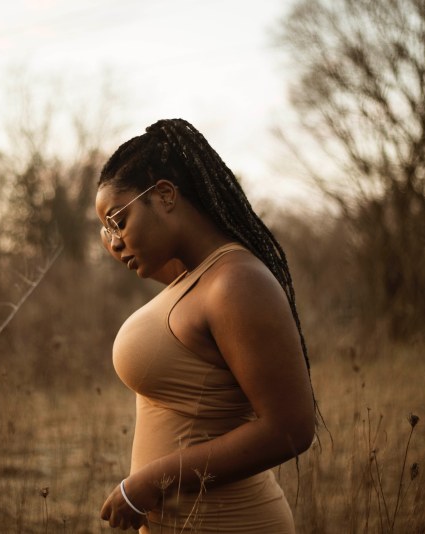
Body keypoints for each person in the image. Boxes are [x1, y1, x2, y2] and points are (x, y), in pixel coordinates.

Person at [96, 119, 316, 533]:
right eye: (107, 230)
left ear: (164, 195)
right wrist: (116, 231)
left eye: (119, 221)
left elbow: (290, 430)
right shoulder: (191, 279)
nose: (115, 241)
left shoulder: (236, 283)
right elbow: (137, 258)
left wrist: (150, 482)